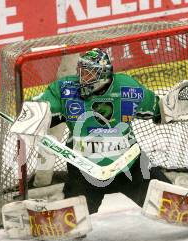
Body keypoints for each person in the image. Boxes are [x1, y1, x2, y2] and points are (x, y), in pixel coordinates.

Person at [33, 48, 172, 214]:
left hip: (128, 165)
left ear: (103, 74)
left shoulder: (127, 87)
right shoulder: (65, 89)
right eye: (81, 72)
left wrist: (170, 109)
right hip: (84, 168)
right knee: (74, 216)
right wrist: (34, 112)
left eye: (89, 74)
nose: (82, 79)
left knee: (165, 200)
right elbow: (44, 106)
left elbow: (157, 110)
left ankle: (187, 205)